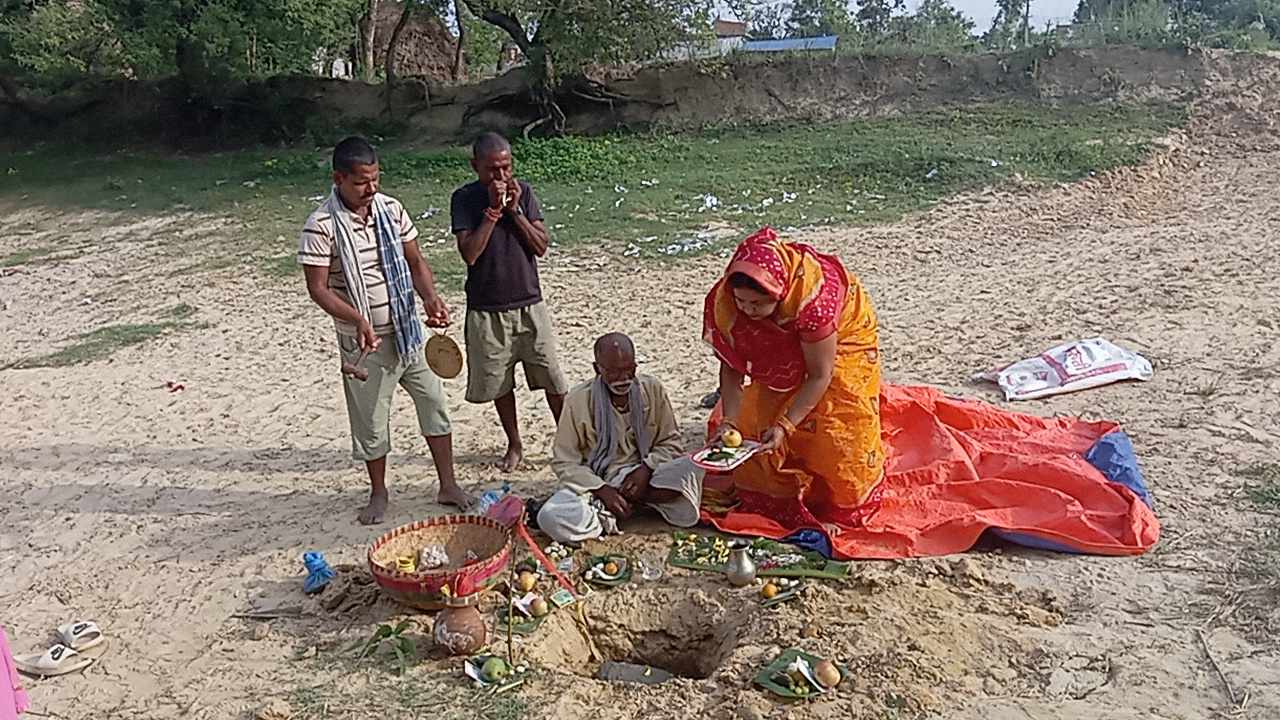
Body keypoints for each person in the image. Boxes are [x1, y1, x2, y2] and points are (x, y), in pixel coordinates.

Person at [298, 136, 473, 525]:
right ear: (339, 178)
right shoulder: (321, 226)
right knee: (372, 421)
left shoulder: (391, 210)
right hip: (364, 343)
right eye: (361, 181)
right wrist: (358, 319)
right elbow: (318, 288)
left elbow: (415, 261)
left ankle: (447, 484)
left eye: (375, 179)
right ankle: (378, 492)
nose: (371, 188)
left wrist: (429, 298)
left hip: (408, 332)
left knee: (434, 406)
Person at [703, 226, 884, 533]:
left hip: (839, 339)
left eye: (757, 304)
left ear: (779, 293)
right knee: (763, 417)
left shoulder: (812, 302)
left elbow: (819, 374)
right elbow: (732, 368)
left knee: (834, 421)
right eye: (742, 302)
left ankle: (834, 502)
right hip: (789, 339)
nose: (747, 310)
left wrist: (786, 425)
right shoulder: (727, 306)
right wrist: (729, 422)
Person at [451, 132, 569, 472]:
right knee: (500, 384)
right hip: (487, 308)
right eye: (492, 170)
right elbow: (470, 254)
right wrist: (491, 211)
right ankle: (515, 443)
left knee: (552, 378)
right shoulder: (464, 199)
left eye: (505, 167)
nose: (500, 177)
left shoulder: (524, 193)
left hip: (530, 303)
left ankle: (566, 440)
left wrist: (514, 211)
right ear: (476, 167)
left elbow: (541, 246)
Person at [537, 333, 704, 544]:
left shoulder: (652, 389)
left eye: (629, 370)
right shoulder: (577, 400)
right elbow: (564, 461)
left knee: (692, 467)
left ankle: (630, 502)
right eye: (614, 372)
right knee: (549, 517)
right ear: (598, 369)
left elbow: (670, 443)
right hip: (598, 481)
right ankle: (615, 505)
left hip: (647, 475)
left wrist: (645, 469)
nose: (623, 379)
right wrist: (602, 490)